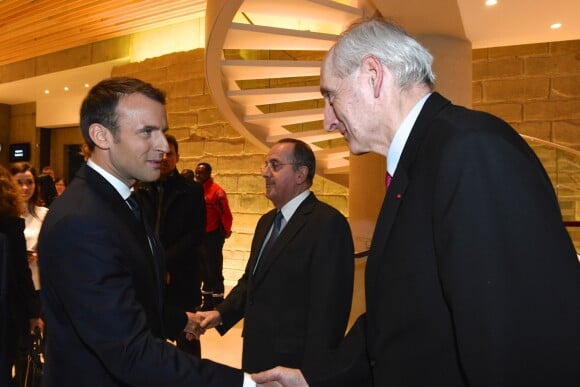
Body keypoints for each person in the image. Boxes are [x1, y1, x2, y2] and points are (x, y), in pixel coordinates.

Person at [253, 16, 580, 387]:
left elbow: (519, 345)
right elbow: (400, 317)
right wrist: (313, 378)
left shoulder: (470, 149)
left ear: (373, 76)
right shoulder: (419, 162)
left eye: (330, 95)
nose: (328, 120)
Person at [37, 77, 252, 386]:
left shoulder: (120, 201)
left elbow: (129, 298)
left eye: (162, 131)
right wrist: (246, 383)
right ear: (102, 135)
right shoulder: (81, 221)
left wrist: (180, 319)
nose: (164, 146)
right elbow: (130, 352)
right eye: (147, 132)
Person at [197, 138, 354, 374]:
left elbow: (330, 309)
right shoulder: (265, 222)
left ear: (301, 174)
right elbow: (251, 282)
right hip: (256, 353)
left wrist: (311, 373)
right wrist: (220, 313)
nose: (264, 173)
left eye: (274, 165)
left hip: (294, 363)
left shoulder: (328, 224)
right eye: (265, 164)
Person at [137, 133, 206, 358]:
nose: (164, 157)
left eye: (169, 153)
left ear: (177, 157)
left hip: (181, 275)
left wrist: (164, 262)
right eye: (159, 153)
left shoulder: (192, 190)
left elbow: (195, 234)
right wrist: (153, 265)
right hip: (148, 277)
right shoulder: (139, 189)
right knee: (151, 339)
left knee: (187, 338)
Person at [0, 164, 41, 387]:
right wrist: (33, 313)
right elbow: (21, 272)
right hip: (6, 311)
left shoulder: (12, 224)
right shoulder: (11, 224)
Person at [194, 162, 233, 310]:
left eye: (201, 173)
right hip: (200, 236)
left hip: (213, 236)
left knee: (214, 269)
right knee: (203, 270)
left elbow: (226, 215)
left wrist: (226, 231)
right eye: (197, 172)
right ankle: (207, 302)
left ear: (209, 173)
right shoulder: (197, 190)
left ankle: (218, 303)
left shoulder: (217, 192)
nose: (198, 175)